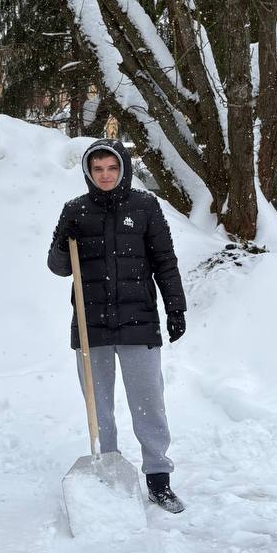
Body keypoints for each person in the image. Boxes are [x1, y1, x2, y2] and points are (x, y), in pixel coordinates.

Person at [48, 139, 187, 513]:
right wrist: (63, 242)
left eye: (112, 168)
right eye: (98, 169)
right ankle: (109, 471)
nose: (105, 175)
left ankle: (158, 478)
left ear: (123, 169)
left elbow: (165, 261)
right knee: (99, 407)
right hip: (90, 323)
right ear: (88, 173)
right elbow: (59, 267)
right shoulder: (74, 210)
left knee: (148, 403)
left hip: (138, 321)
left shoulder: (145, 206)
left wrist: (176, 308)